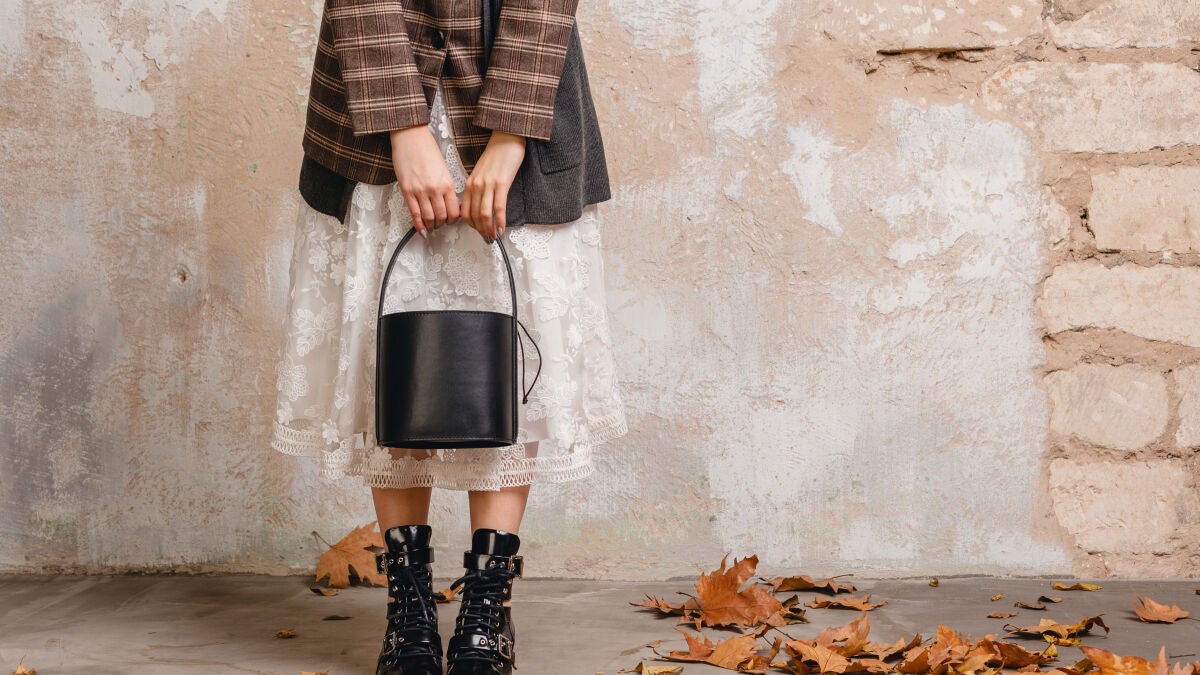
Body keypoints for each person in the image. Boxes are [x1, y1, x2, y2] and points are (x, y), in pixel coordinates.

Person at [270, 0, 627, 673]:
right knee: (395, 347)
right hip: (378, 99)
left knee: (511, 353)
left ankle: (488, 603)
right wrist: (403, 127)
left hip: (517, 87)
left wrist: (512, 133)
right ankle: (408, 602)